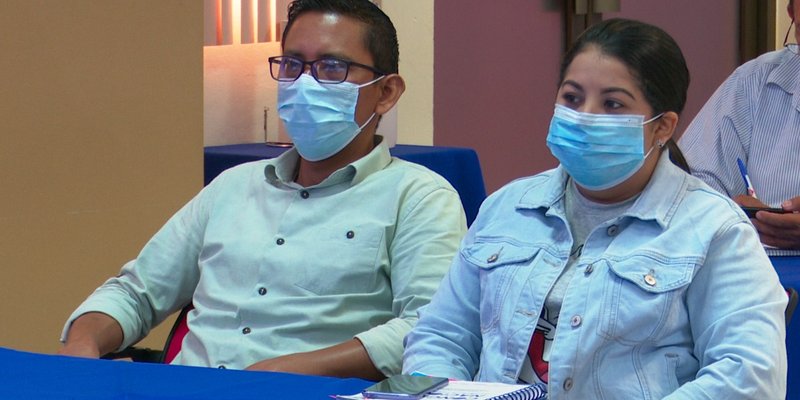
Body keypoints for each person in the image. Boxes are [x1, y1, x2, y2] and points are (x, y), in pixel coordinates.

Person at [58, 0, 466, 381]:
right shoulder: (234, 186)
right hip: (188, 386)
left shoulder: (419, 197)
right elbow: (136, 293)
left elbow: (428, 329)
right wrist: (83, 342)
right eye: (292, 64)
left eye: (331, 67)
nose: (304, 83)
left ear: (386, 92)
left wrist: (292, 369)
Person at [403, 19, 787, 398]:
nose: (586, 116)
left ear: (663, 127)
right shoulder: (507, 207)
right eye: (572, 98)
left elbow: (747, 376)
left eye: (612, 104)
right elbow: (441, 336)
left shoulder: (715, 230)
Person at [679, 0, 800, 254]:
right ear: (792, 14)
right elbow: (688, 184)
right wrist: (733, 213)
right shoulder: (754, 82)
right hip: (757, 268)